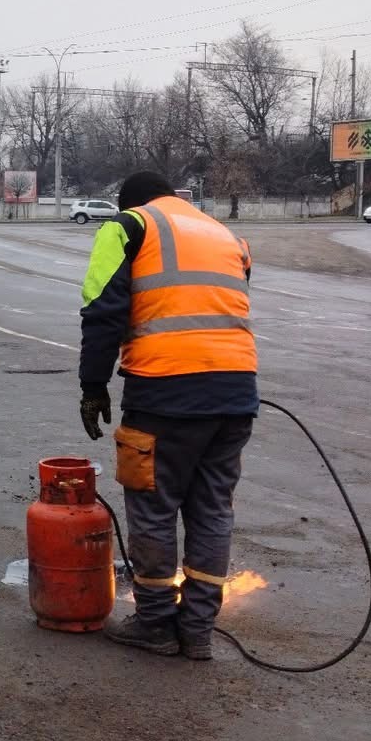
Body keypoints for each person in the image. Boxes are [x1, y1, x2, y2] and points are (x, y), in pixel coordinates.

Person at [78, 172, 257, 661]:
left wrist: (93, 386)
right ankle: (197, 632)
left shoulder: (129, 226)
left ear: (130, 201)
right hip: (236, 392)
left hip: (164, 394)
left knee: (153, 504)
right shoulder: (225, 236)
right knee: (213, 509)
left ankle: (156, 622)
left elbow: (101, 310)